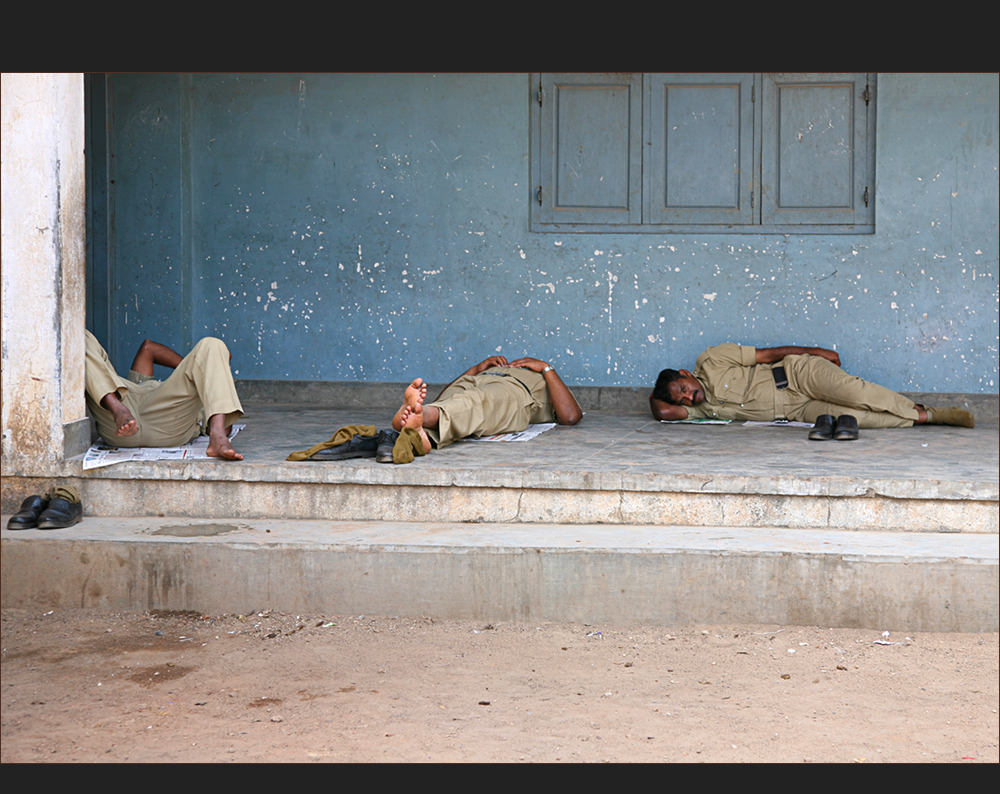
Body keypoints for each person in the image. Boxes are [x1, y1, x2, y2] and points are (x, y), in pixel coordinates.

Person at [649, 343, 974, 432]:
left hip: (796, 374)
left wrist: (817, 353)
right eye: (684, 398)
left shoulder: (712, 358)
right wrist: (657, 396)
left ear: (686, 373)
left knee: (859, 393)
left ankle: (930, 411)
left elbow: (769, 354)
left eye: (685, 388)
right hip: (795, 410)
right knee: (861, 417)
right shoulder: (699, 409)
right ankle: (925, 417)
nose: (689, 397)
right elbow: (663, 411)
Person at [85, 330, 244, 460]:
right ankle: (117, 408)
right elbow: (149, 348)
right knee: (80, 335)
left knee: (212, 344)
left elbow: (227, 424)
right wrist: (197, 367)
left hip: (169, 417)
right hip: (123, 403)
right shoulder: (135, 383)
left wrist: (206, 368)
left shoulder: (203, 401)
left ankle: (218, 435)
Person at [390, 354, 583, 453]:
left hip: (512, 389)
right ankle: (420, 432)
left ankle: (420, 415)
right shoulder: (479, 371)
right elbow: (443, 398)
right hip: (478, 380)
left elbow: (571, 416)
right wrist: (476, 368)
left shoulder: (549, 380)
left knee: (475, 402)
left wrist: (545, 368)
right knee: (452, 401)